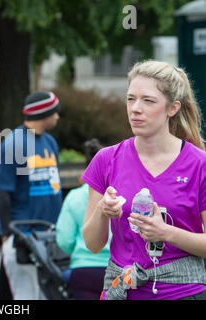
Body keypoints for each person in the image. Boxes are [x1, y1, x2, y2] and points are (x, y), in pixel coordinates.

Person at [82, 60, 206, 300]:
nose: (135, 108)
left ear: (173, 108)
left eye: (148, 101)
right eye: (131, 99)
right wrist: (102, 211)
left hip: (184, 293)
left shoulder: (200, 164)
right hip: (122, 291)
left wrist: (165, 232)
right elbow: (93, 244)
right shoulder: (106, 159)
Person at [0, 91, 63, 300]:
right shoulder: (15, 144)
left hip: (49, 236)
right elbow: (3, 193)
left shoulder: (50, 142)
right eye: (55, 112)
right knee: (25, 296)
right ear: (44, 113)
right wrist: (6, 233)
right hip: (23, 235)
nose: (58, 117)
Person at [56, 138, 111, 300]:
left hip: (83, 271)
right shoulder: (121, 195)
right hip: (118, 271)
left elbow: (64, 240)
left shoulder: (74, 197)